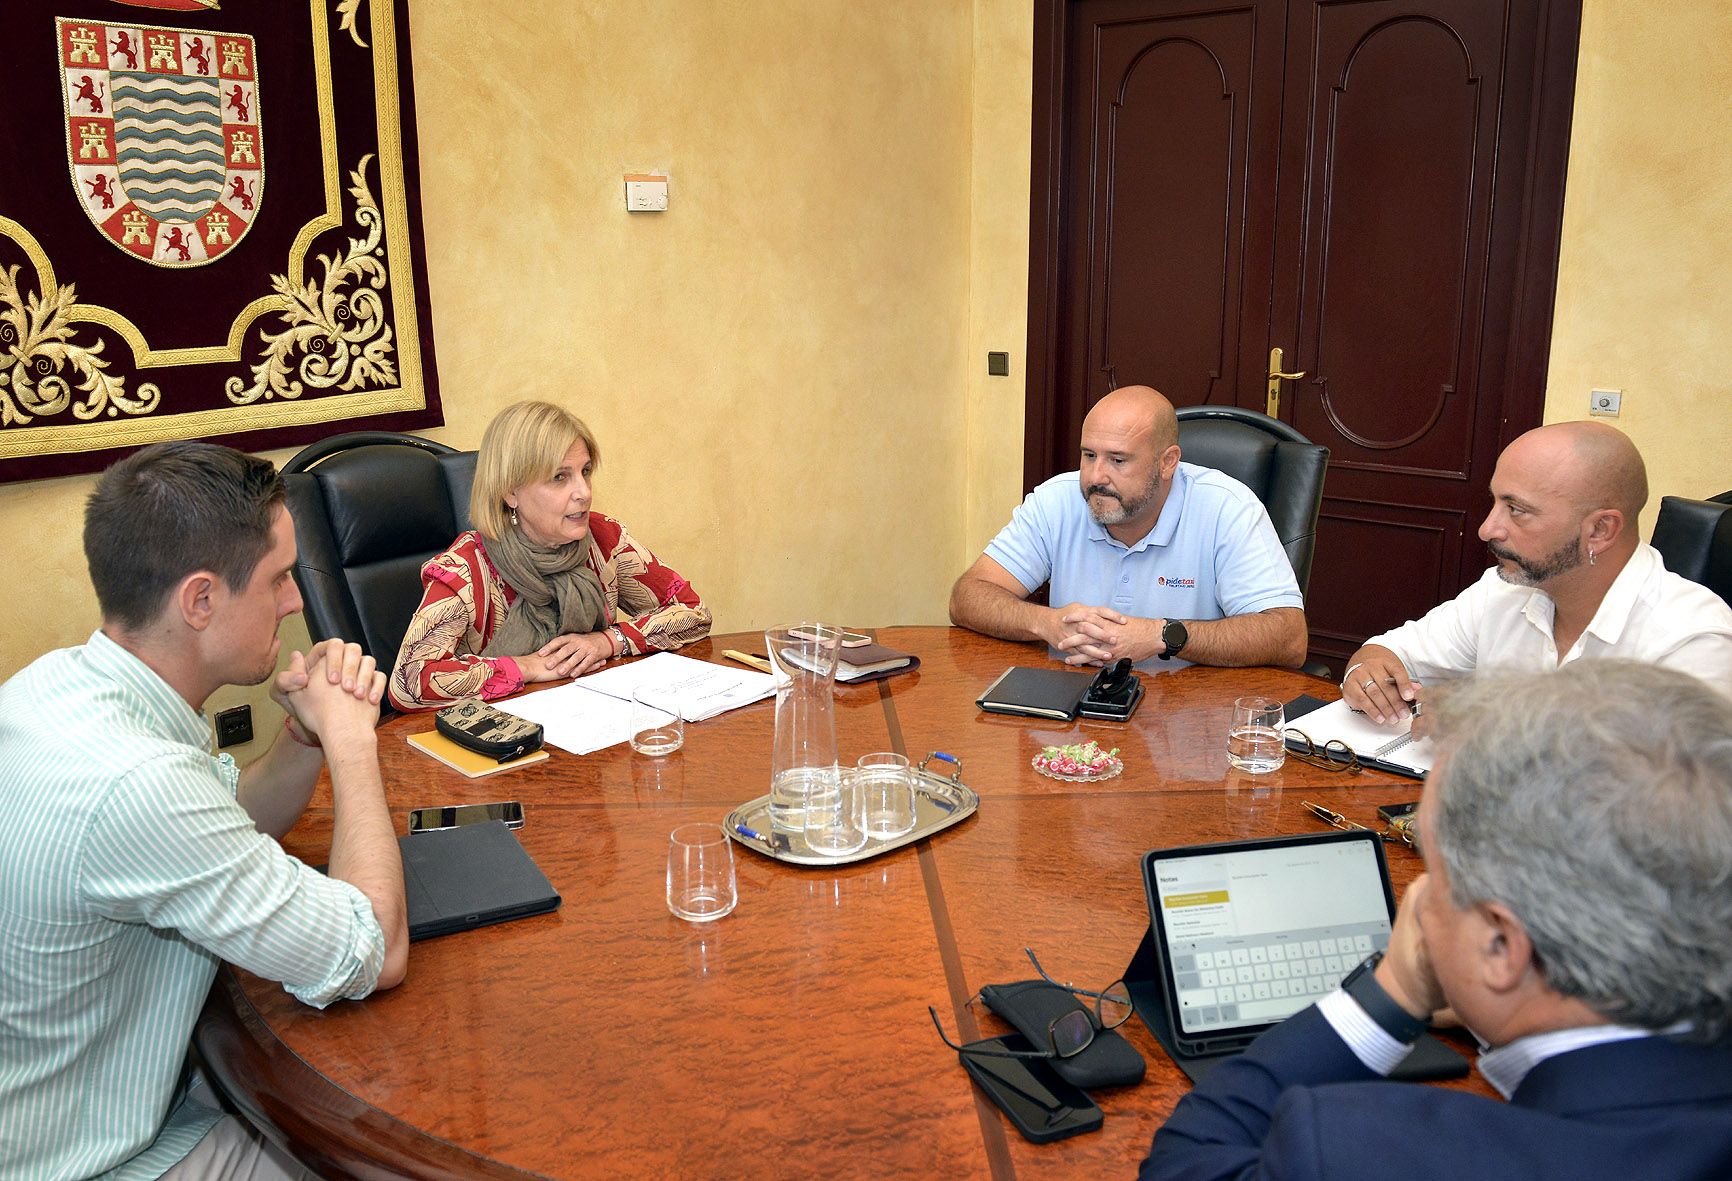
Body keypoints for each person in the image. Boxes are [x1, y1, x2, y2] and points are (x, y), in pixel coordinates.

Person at [1142, 660, 1732, 1180]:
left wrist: (1390, 991)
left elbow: (1188, 1161)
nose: (1419, 894)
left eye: (1434, 871)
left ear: (1501, 947)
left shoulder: (1367, 1152)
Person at [0, 442, 408, 1180]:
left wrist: (305, 736)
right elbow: (373, 948)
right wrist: (352, 740)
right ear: (200, 600)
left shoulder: (54, 686)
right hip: (87, 1161)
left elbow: (225, 821)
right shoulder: (139, 784)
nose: (295, 601)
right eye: (279, 578)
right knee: (377, 1158)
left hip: (96, 1100)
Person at [1345, 420, 1732, 726]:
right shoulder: (1506, 589)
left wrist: (1484, 727)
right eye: (1496, 502)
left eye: (1516, 510)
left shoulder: (1691, 640)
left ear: (1600, 530)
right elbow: (1391, 653)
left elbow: (1676, 790)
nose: (1487, 529)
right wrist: (1369, 673)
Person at [949, 385, 1307, 669]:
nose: (1096, 477)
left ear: (1167, 463)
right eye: (1089, 455)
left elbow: (1289, 637)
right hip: (1072, 710)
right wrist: (1045, 622)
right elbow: (967, 597)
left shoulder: (1227, 508)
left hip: (1184, 712)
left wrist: (1162, 636)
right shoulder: (1056, 500)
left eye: (1118, 460)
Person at [389, 400, 713, 711]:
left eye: (585, 471)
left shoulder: (604, 539)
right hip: (504, 733)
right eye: (560, 477)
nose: (584, 492)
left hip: (593, 719)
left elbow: (693, 611)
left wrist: (608, 641)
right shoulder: (465, 569)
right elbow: (409, 683)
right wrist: (527, 667)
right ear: (510, 491)